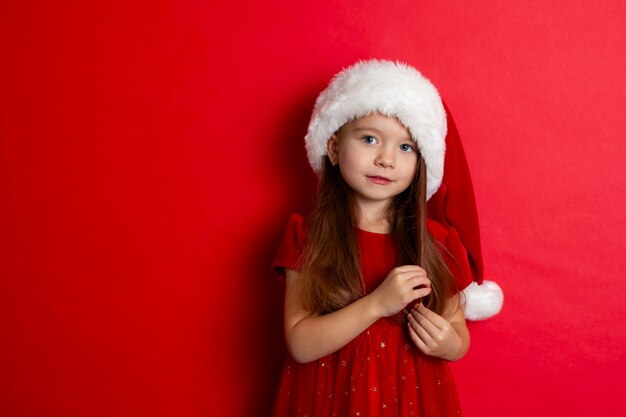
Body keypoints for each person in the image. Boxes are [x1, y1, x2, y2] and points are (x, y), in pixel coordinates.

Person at [271, 60, 496, 417]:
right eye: (369, 138)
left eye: (406, 147)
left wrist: (447, 343)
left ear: (423, 163)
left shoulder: (438, 242)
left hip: (413, 400)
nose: (386, 159)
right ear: (332, 147)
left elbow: (458, 337)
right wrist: (378, 303)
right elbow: (300, 343)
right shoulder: (308, 235)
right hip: (330, 398)